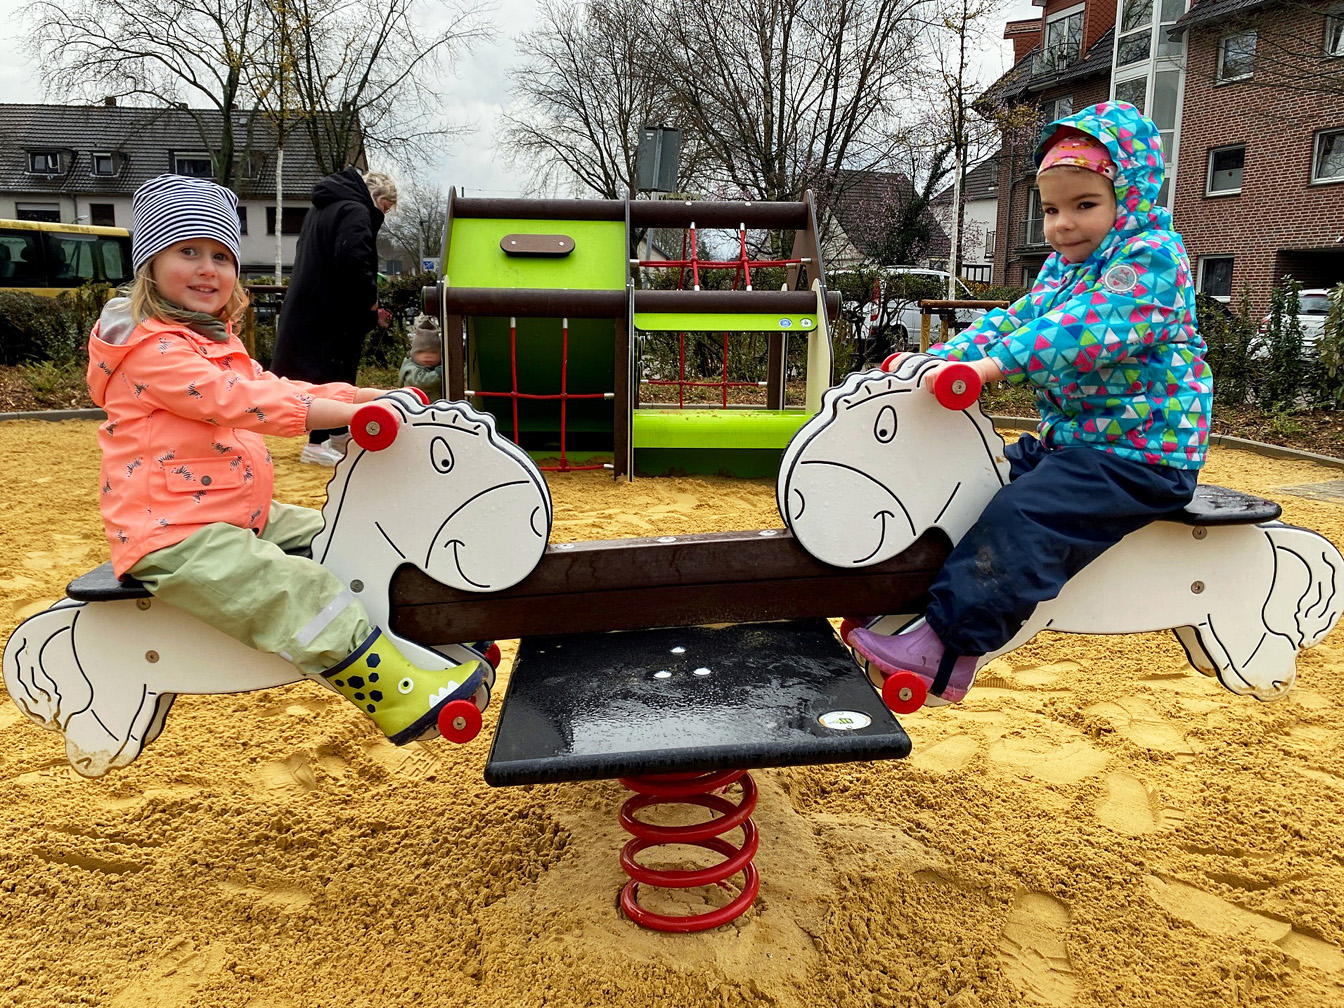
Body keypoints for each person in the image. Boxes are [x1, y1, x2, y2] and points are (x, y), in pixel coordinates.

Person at [85, 174, 480, 745]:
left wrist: (361, 396)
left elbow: (273, 384)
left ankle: (429, 635)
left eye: (221, 256)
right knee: (296, 587)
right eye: (187, 251)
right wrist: (345, 416)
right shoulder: (152, 350)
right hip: (172, 534)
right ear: (149, 263)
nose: (207, 269)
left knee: (342, 534)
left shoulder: (211, 339)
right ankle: (397, 695)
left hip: (233, 513)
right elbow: (241, 401)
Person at [848, 101, 1212, 705]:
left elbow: (1085, 330)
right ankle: (902, 602)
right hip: (1075, 444)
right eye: (1050, 210)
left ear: (1132, 196)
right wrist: (940, 359)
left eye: (1084, 204)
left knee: (1025, 516)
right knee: (974, 481)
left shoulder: (1150, 262)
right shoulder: (1063, 269)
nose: (1063, 224)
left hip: (1141, 454)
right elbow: (1015, 320)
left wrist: (990, 369)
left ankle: (947, 651)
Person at [270, 167, 397, 466]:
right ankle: (318, 443)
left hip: (311, 305)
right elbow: (354, 259)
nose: (383, 214)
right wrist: (370, 301)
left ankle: (337, 433)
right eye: (385, 207)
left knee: (321, 374)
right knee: (333, 374)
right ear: (376, 197)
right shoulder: (356, 211)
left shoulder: (322, 208)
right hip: (335, 311)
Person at [397, 314, 444, 402]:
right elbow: (422, 382)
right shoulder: (410, 369)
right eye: (421, 352)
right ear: (413, 354)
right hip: (414, 406)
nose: (427, 356)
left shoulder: (436, 367)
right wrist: (438, 373)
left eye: (433, 352)